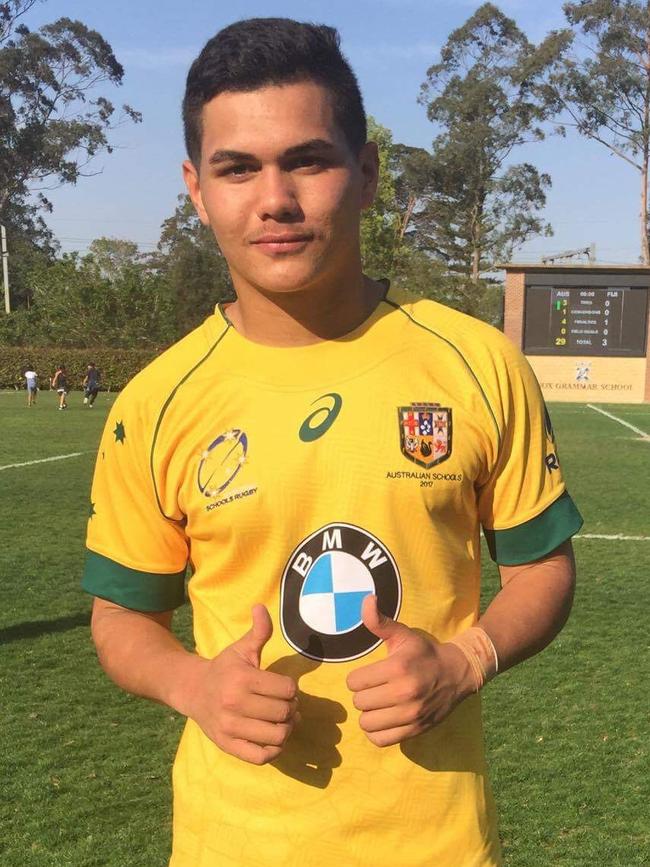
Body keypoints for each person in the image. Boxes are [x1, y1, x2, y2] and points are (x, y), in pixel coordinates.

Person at [82, 18, 583, 867]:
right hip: (230, 844)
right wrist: (193, 681)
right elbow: (122, 613)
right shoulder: (158, 401)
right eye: (236, 168)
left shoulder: (475, 363)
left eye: (307, 159)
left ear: (368, 175)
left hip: (439, 847)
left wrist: (465, 662)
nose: (274, 199)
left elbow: (543, 566)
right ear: (196, 190)